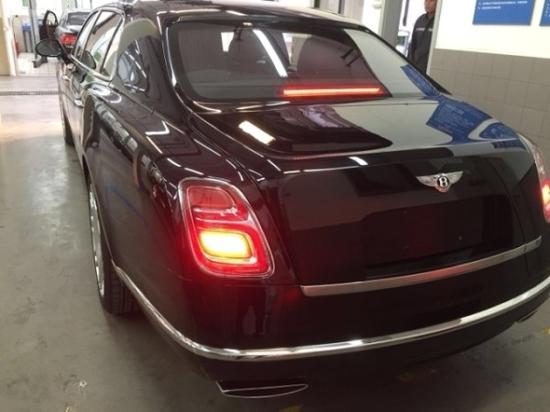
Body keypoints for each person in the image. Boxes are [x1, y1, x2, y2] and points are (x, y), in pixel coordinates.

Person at [408, 0, 437, 73]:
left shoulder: (438, 22)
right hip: (416, 65)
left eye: (431, 1)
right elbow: (413, 43)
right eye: (426, 1)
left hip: (430, 67)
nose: (427, 3)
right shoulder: (420, 20)